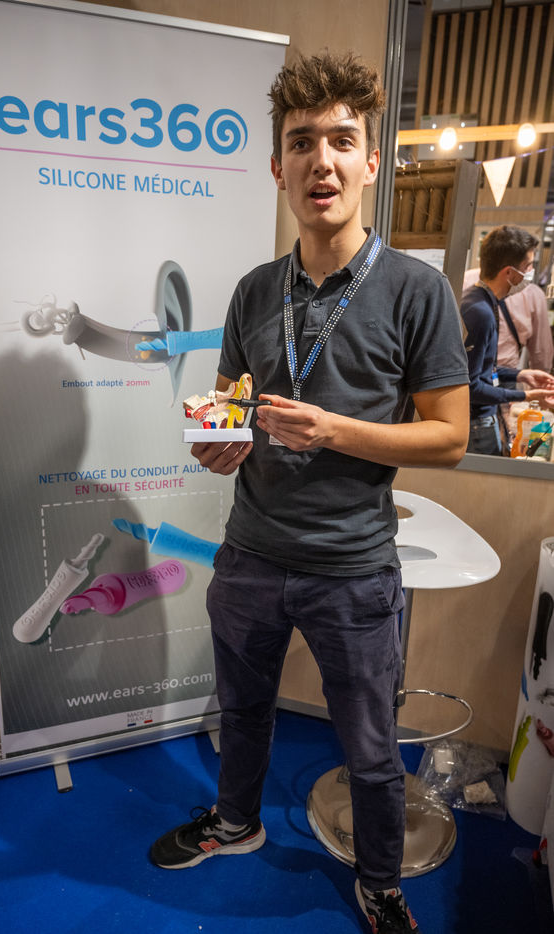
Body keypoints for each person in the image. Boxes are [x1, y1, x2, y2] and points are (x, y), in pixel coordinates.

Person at [151, 50, 471, 934]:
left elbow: (448, 435)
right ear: (277, 167)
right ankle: (236, 823)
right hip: (250, 554)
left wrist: (333, 430)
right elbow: (228, 410)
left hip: (352, 568)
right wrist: (216, 445)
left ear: (370, 162)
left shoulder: (416, 290)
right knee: (242, 712)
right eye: (301, 143)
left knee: (368, 749)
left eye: (340, 140)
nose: (319, 161)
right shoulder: (254, 290)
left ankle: (379, 880)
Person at [461, 226, 554, 455]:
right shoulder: (479, 311)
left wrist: (520, 375)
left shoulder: (484, 300)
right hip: (477, 423)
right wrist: (526, 395)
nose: (530, 272)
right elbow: (470, 385)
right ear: (509, 273)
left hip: (484, 416)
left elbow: (483, 368)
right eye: (528, 266)